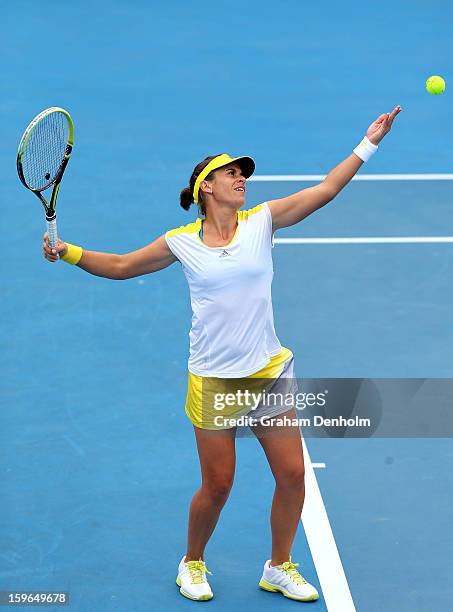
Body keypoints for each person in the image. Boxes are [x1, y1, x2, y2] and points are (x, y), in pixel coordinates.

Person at [43, 105, 401, 603]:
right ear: (204, 188)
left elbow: (325, 190)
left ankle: (278, 566)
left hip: (270, 374)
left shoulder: (263, 222)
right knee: (218, 486)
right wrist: (70, 252)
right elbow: (124, 265)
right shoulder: (181, 242)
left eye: (242, 174)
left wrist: (370, 142)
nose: (241, 180)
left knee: (293, 475)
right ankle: (191, 562)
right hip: (215, 382)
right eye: (230, 173)